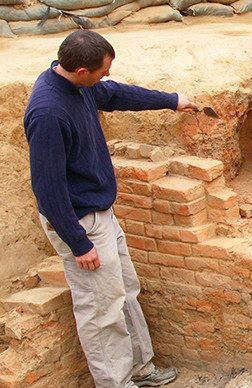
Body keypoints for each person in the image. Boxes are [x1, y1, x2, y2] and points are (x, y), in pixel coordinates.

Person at [23, 30, 197, 388]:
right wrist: (78, 241)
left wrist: (171, 99)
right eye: (102, 72)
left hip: (101, 212)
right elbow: (47, 185)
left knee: (124, 291)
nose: (106, 77)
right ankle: (115, 383)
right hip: (80, 222)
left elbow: (117, 94)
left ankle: (140, 369)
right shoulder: (48, 114)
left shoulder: (79, 85)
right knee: (100, 309)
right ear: (82, 70)